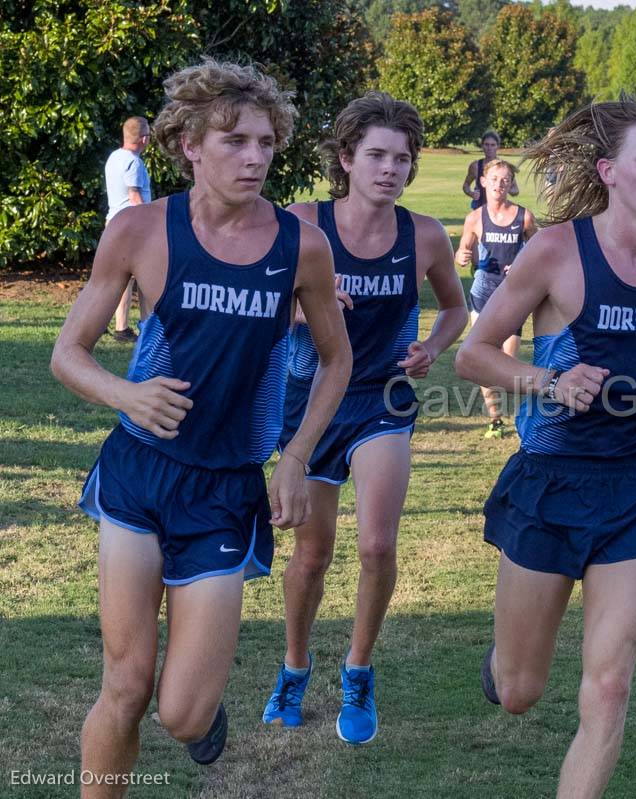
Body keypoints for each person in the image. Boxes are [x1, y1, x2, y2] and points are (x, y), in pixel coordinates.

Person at [51, 59, 352, 795]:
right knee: (124, 686)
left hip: (224, 488)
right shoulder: (139, 231)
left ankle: (198, 718)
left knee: (181, 713)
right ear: (188, 144)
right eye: (234, 141)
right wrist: (127, 394)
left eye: (265, 142)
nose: (254, 158)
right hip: (140, 473)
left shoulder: (300, 246)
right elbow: (68, 353)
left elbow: (337, 360)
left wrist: (296, 455)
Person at [454, 96, 636, 799]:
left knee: (611, 684)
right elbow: (474, 356)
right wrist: (547, 379)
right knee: (521, 689)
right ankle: (503, 664)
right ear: (610, 171)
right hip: (552, 484)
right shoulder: (557, 250)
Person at [261, 92, 467, 745]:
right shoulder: (302, 224)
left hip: (383, 395)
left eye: (401, 158)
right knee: (314, 552)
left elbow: (456, 310)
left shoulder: (425, 234)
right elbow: (257, 302)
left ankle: (358, 669)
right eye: (376, 155)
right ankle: (294, 668)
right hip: (312, 400)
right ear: (346, 158)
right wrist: (301, 311)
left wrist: (431, 347)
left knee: (378, 544)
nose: (389, 169)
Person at [455, 158, 537, 438]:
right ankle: (495, 419)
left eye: (505, 180)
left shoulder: (524, 217)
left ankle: (519, 413)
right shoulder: (475, 218)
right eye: (495, 179)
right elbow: (462, 252)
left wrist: (523, 263)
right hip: (483, 290)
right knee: (483, 356)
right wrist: (463, 256)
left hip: (513, 294)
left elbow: (538, 250)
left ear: (510, 184)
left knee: (508, 362)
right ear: (483, 182)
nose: (500, 185)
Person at [103, 116, 153, 342]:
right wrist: (151, 221)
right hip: (133, 225)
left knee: (124, 277)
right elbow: (134, 195)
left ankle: (121, 326)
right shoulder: (134, 162)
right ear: (144, 139)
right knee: (144, 275)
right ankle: (146, 323)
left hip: (113, 221)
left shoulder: (114, 158)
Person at [462, 130, 519, 209]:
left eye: (493, 145)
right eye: (486, 144)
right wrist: (471, 193)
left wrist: (505, 188)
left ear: (498, 146)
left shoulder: (504, 167)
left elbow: (516, 191)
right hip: (479, 209)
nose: (489, 148)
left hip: (499, 210)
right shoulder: (476, 166)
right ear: (482, 146)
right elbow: (466, 185)